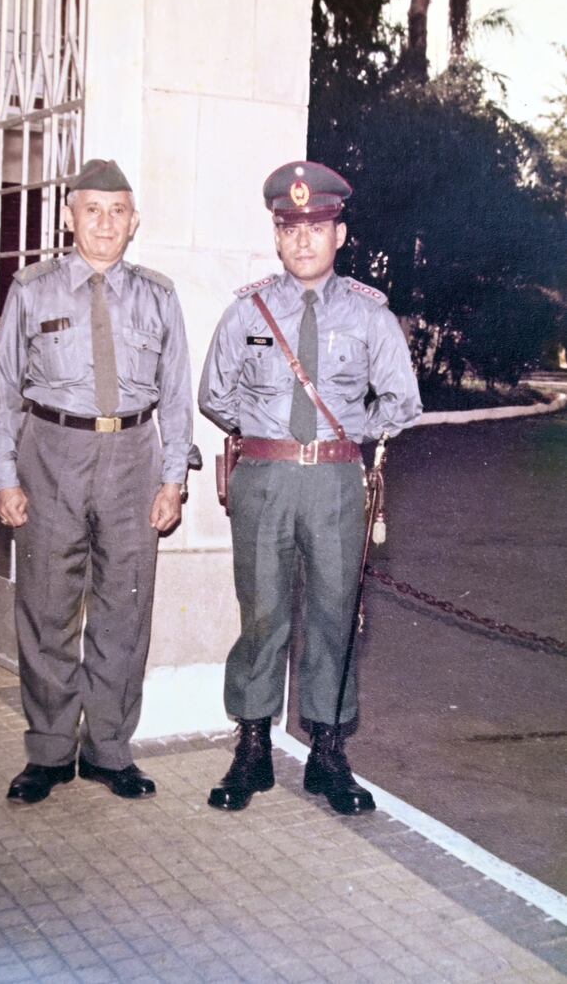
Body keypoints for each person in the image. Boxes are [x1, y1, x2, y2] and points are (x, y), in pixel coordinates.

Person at [199, 160, 422, 814]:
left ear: (340, 233)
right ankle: (252, 751)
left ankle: (328, 754)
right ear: (276, 236)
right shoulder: (247, 309)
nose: (303, 240)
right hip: (263, 479)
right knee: (261, 616)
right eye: (289, 228)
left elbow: (402, 403)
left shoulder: (370, 317)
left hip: (335, 482)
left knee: (333, 619)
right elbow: (216, 395)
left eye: (316, 227)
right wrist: (268, 438)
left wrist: (349, 436)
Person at [0, 159, 194, 805]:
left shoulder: (158, 295)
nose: (104, 223)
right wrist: (4, 475)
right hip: (51, 452)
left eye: (118, 211)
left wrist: (171, 479)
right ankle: (48, 753)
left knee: (123, 611)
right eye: (92, 210)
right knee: (46, 605)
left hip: (133, 454)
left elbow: (178, 396)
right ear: (69, 217)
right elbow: (1, 396)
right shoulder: (32, 289)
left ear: (134, 222)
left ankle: (108, 749)